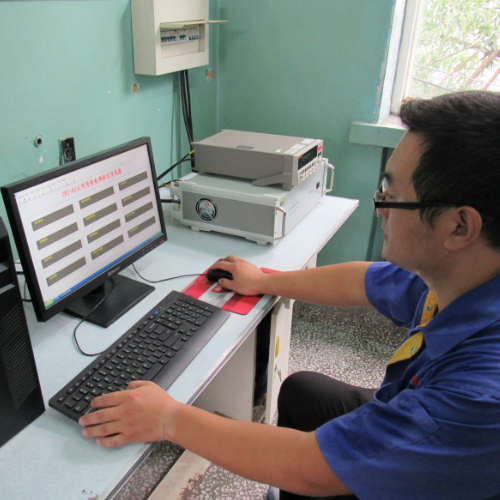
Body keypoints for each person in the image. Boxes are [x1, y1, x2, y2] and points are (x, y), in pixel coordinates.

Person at [79, 90, 500, 499]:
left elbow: (313, 469)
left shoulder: (478, 398)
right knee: (304, 392)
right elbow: (364, 282)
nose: (381, 209)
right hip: (415, 401)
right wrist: (264, 281)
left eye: (392, 197)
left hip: (439, 466)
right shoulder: (462, 274)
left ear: (460, 226)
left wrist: (169, 419)